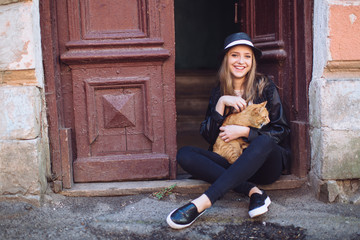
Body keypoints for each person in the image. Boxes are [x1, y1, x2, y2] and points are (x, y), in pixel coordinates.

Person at [166, 32, 291, 230]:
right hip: (232, 163)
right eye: (235, 55)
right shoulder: (219, 91)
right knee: (185, 154)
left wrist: (244, 132)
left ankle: (204, 202)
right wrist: (221, 103)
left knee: (264, 141)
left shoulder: (265, 86)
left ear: (252, 62)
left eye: (247, 56)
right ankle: (252, 191)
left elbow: (281, 129)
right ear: (226, 59)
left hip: (265, 165)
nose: (241, 61)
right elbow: (208, 136)